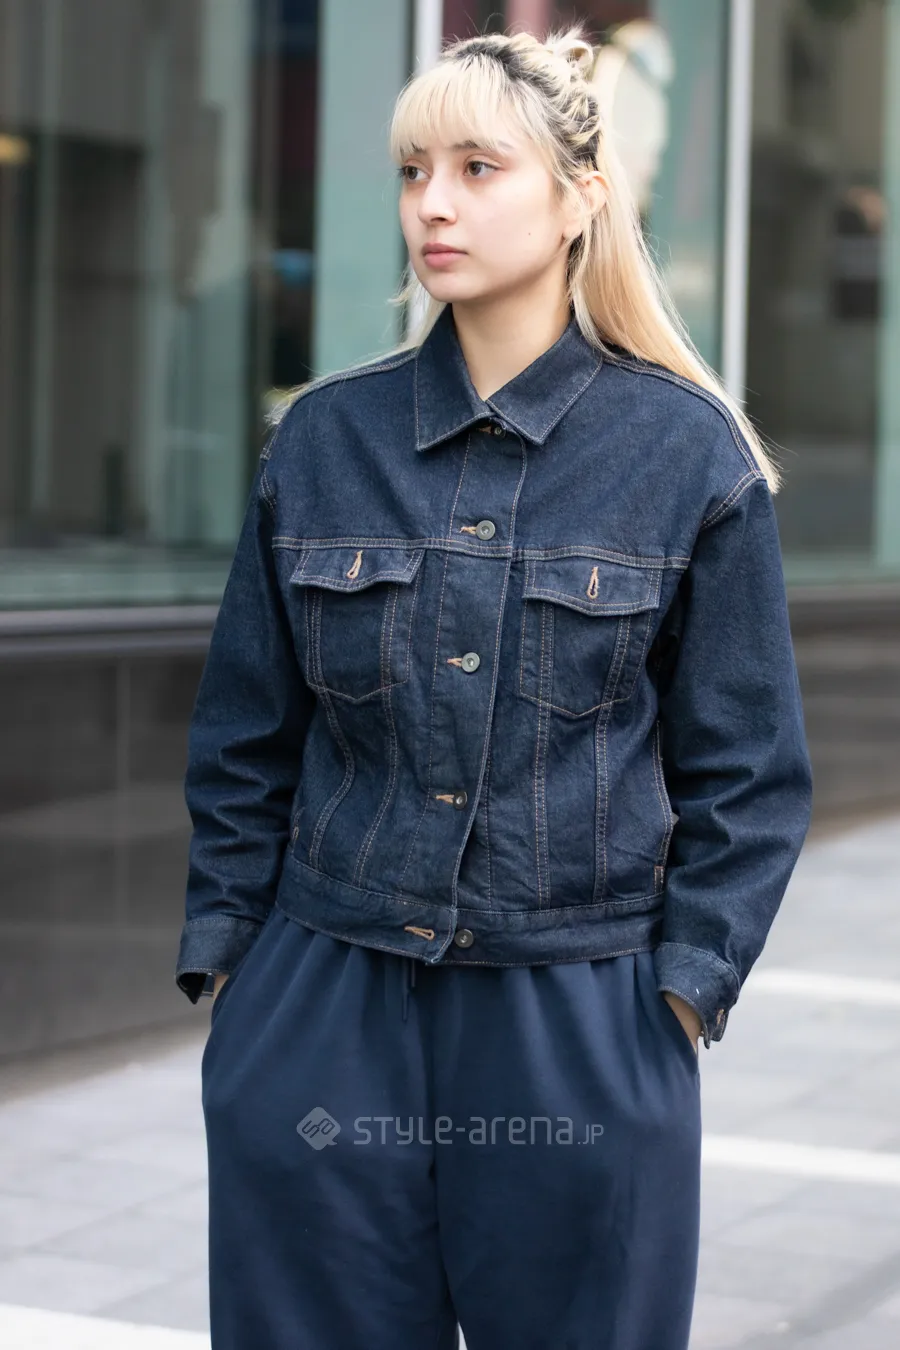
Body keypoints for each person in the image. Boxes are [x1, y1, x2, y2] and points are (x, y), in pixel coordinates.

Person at [174, 24, 814, 1350]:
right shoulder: (323, 439)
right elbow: (245, 733)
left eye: (478, 167)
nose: (434, 204)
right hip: (326, 999)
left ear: (580, 199)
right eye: (415, 171)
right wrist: (238, 974)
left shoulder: (688, 456)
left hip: (578, 1014)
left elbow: (748, 775)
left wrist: (682, 994)